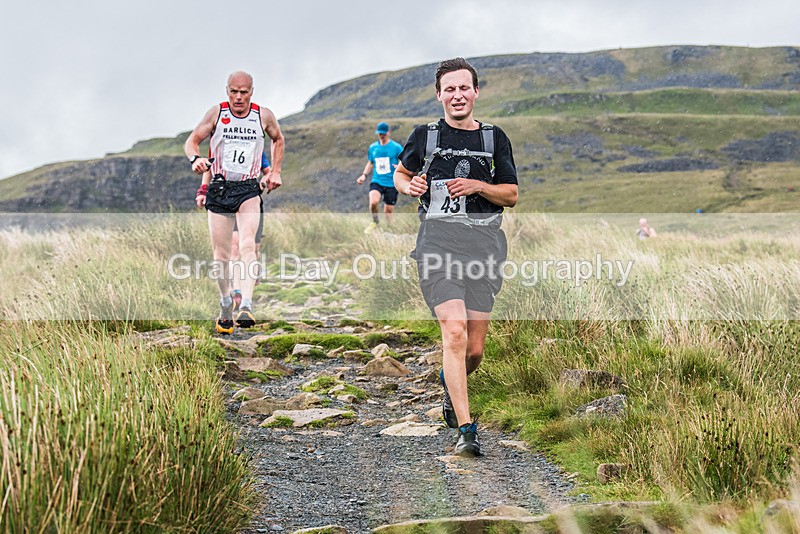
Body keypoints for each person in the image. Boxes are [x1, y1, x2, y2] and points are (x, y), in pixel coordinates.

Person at [394, 58, 518, 457]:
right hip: (437, 244)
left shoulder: (494, 138)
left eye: (464, 88)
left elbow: (511, 195)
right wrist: (409, 184)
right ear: (439, 95)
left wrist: (479, 185)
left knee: (474, 351)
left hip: (483, 248)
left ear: (476, 92)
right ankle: (467, 430)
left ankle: (452, 386)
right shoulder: (425, 136)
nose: (457, 95)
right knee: (454, 331)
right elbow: (400, 173)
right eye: (450, 89)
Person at [185, 71, 284, 334]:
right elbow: (192, 140)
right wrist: (195, 160)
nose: (239, 97)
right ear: (227, 90)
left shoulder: (263, 115)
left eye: (244, 92)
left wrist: (275, 171)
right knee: (221, 254)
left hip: (248, 190)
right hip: (219, 188)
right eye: (233, 92)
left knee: (248, 245)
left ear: (252, 91)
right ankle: (226, 301)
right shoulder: (216, 114)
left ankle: (247, 305)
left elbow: (278, 139)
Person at [197, 152, 271, 312]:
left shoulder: (254, 146)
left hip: (249, 199)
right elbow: (209, 167)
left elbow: (268, 171)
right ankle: (237, 292)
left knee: (252, 249)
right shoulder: (221, 142)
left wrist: (265, 182)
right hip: (225, 198)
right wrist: (203, 190)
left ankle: (250, 278)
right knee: (235, 248)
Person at [356, 122, 403, 233]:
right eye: (379, 133)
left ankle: (392, 230)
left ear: (388, 133)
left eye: (383, 133)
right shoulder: (373, 147)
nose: (381, 136)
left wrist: (400, 167)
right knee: (373, 202)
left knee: (388, 211)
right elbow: (371, 162)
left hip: (391, 183)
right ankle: (375, 221)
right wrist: (364, 175)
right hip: (377, 180)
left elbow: (405, 160)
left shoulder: (396, 147)